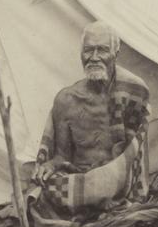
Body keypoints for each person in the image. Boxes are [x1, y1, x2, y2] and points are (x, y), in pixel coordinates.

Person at [32, 21, 151, 186]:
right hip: (80, 180)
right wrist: (50, 165)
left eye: (102, 50)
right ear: (81, 53)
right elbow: (62, 157)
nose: (94, 58)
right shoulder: (66, 99)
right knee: (44, 193)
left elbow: (136, 153)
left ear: (116, 53)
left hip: (120, 180)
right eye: (88, 50)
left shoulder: (134, 91)